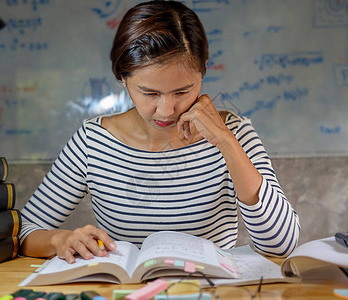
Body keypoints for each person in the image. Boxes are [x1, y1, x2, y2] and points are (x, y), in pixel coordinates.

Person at [20, 0, 300, 264]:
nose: (167, 110)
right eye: (149, 93)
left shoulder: (235, 134)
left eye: (183, 91)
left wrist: (226, 142)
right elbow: (22, 231)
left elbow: (281, 244)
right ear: (123, 79)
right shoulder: (93, 142)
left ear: (202, 74)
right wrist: (61, 239)